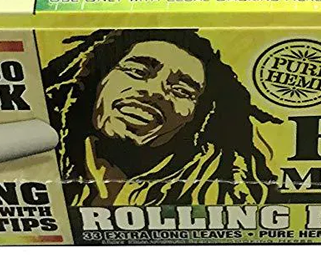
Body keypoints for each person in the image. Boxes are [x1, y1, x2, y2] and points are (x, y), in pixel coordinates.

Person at [42, 29, 279, 206]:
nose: (155, 92)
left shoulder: (217, 197)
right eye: (137, 71)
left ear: (197, 119)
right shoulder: (43, 159)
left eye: (182, 90)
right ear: (97, 80)